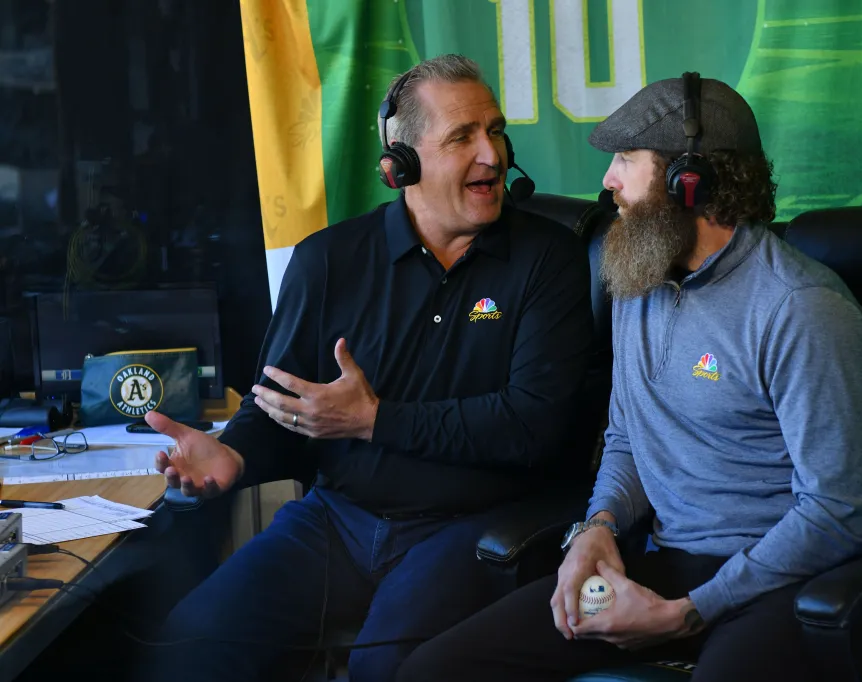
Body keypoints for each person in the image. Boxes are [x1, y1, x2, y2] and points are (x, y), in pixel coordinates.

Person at [396, 73, 862, 682]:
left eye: (627, 159)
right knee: (434, 670)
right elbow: (629, 438)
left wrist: (687, 613)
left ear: (690, 180)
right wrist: (598, 527)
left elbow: (840, 514)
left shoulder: (801, 308)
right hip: (670, 560)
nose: (608, 181)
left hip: (784, 580)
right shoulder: (637, 275)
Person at [139, 54, 594, 682]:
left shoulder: (550, 258)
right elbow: (281, 405)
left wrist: (376, 421)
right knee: (185, 648)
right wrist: (235, 455)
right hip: (335, 521)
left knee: (387, 669)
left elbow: (532, 426)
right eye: (462, 137)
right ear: (400, 164)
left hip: (474, 526)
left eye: (495, 131)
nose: (492, 155)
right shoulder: (328, 260)